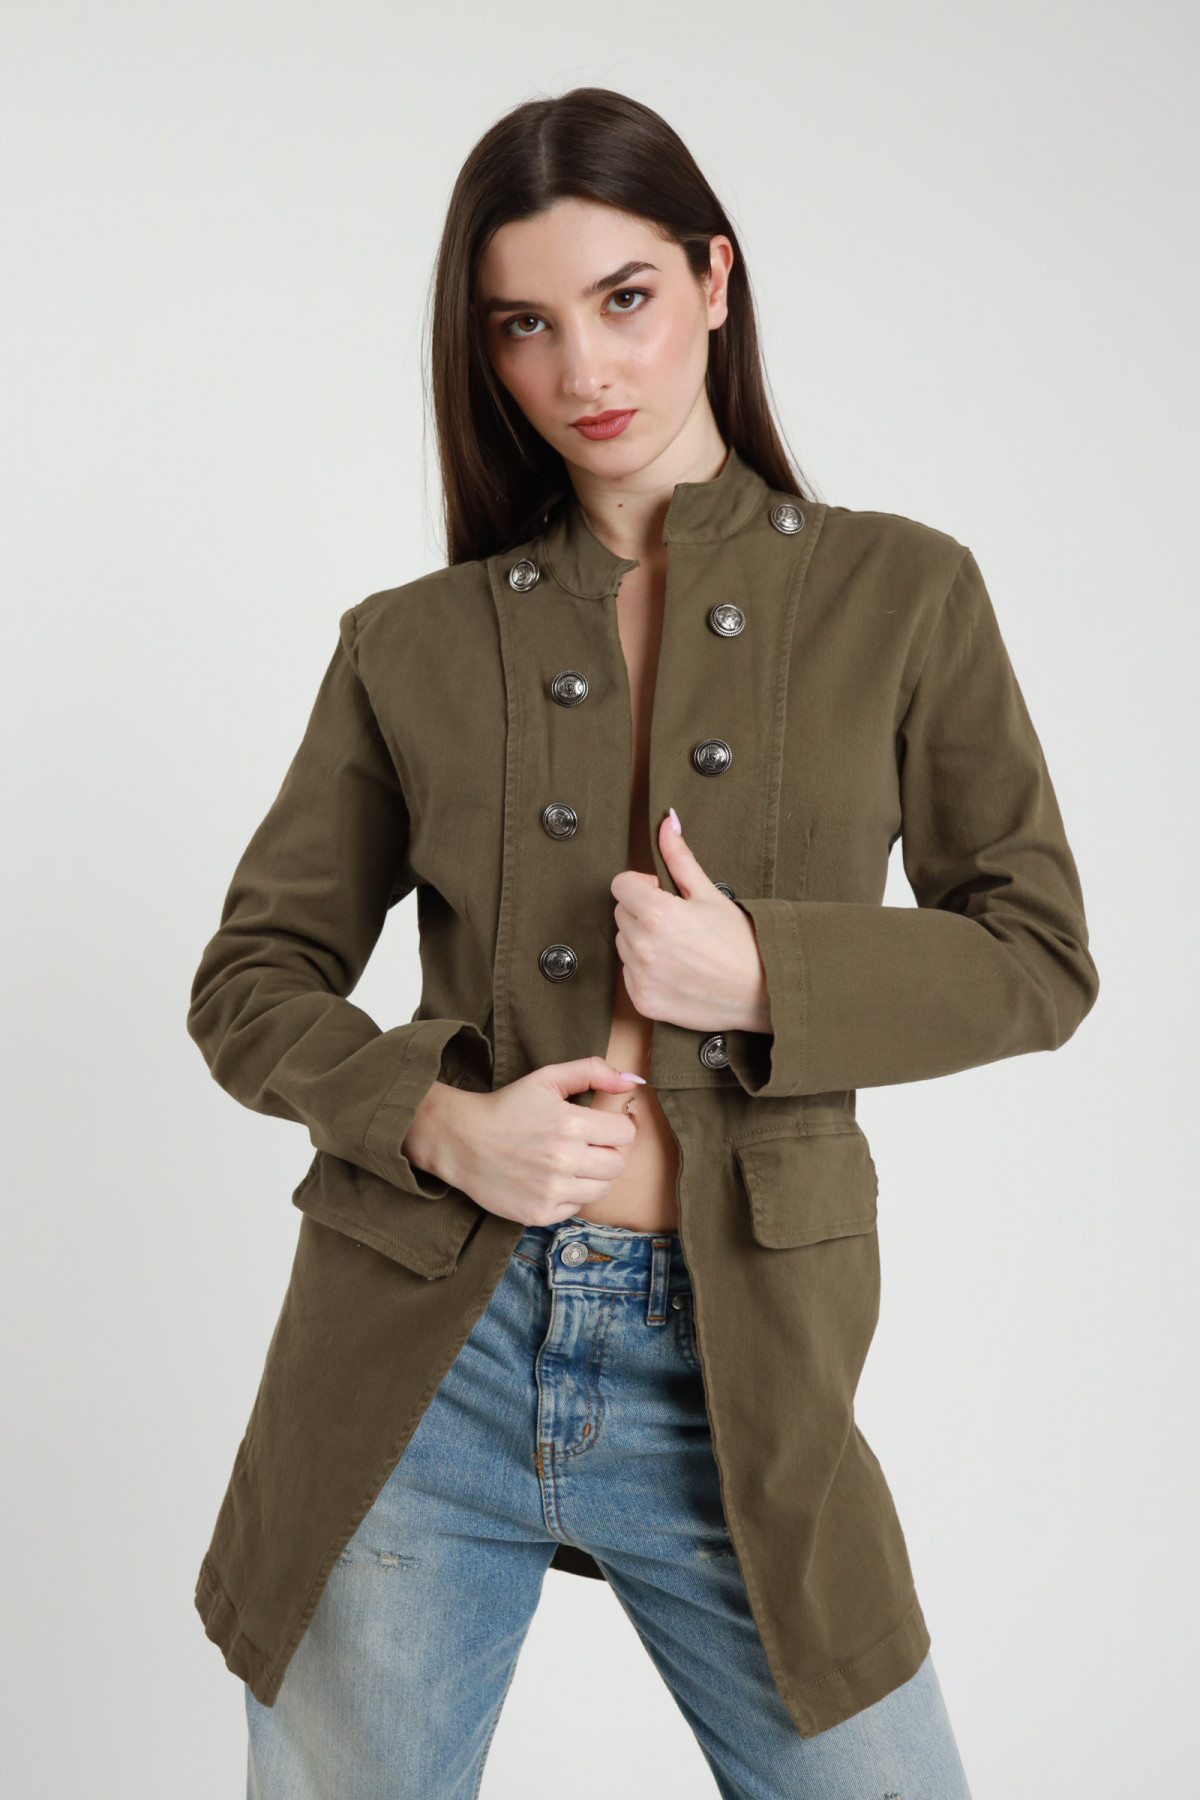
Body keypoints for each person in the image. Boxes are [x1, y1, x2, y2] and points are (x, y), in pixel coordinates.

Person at [187, 87, 1099, 1799]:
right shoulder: (406, 643)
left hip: (740, 1363)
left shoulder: (904, 595)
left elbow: (1039, 953)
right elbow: (250, 980)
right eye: (523, 324)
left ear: (714, 281)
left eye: (625, 298)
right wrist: (437, 1118)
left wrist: (767, 978)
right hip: (418, 1358)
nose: (583, 368)